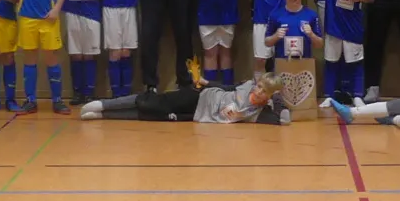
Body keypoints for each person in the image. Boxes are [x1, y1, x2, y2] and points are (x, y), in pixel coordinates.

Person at [80, 73, 290, 125]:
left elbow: (284, 120)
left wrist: (278, 99)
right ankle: (103, 105)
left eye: (265, 91)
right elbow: (227, 88)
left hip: (196, 116)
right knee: (154, 101)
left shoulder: (258, 113)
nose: (259, 91)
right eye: (260, 86)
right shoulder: (246, 86)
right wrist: (207, 83)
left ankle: (103, 116)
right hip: (199, 98)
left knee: (155, 115)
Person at [264, 0, 321, 70]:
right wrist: (276, 36)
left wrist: (311, 34)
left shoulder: (311, 15)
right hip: (282, 64)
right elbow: (267, 43)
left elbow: (319, 45)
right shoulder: (275, 15)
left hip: (304, 65)